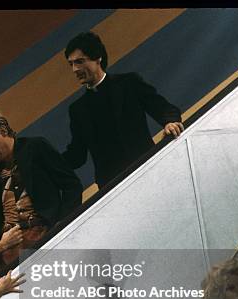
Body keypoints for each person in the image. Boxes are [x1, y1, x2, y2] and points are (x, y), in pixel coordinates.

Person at [63, 31, 184, 188]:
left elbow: (163, 108)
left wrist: (170, 122)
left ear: (98, 57)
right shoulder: (77, 110)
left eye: (79, 62)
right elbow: (77, 156)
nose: (74, 69)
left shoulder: (128, 83)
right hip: (111, 188)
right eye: (71, 64)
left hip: (148, 170)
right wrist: (45, 165)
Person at [0, 109, 83, 265]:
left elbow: (71, 186)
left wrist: (63, 225)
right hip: (12, 254)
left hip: (48, 235)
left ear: (2, 131)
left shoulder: (36, 147)